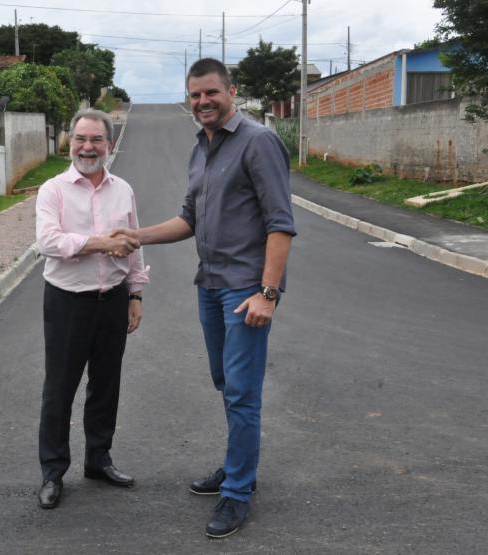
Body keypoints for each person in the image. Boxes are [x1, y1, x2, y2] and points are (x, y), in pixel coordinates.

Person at [112, 58, 295, 538]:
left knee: (242, 390)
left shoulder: (258, 142)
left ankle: (238, 491)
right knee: (225, 381)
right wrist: (136, 236)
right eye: (195, 95)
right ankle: (238, 466)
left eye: (211, 92)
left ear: (231, 92)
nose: (202, 102)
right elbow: (188, 219)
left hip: (245, 290)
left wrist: (268, 293)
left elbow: (280, 223)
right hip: (210, 286)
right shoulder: (201, 149)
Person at [34, 108, 149, 510]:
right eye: (81, 138)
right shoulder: (53, 190)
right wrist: (102, 243)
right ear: (70, 141)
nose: (88, 147)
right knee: (59, 388)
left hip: (113, 300)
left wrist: (135, 294)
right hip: (67, 301)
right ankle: (53, 472)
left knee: (106, 385)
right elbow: (49, 242)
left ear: (109, 144)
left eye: (97, 139)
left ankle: (98, 460)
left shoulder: (123, 190)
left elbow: (133, 245)